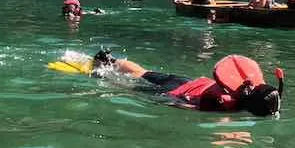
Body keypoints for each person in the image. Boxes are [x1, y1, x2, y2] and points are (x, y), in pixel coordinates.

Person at [90, 48, 282, 116]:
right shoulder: (225, 104)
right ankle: (103, 75)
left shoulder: (243, 84)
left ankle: (109, 60)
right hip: (177, 93)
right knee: (132, 89)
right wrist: (168, 103)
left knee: (142, 72)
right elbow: (190, 107)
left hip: (189, 82)